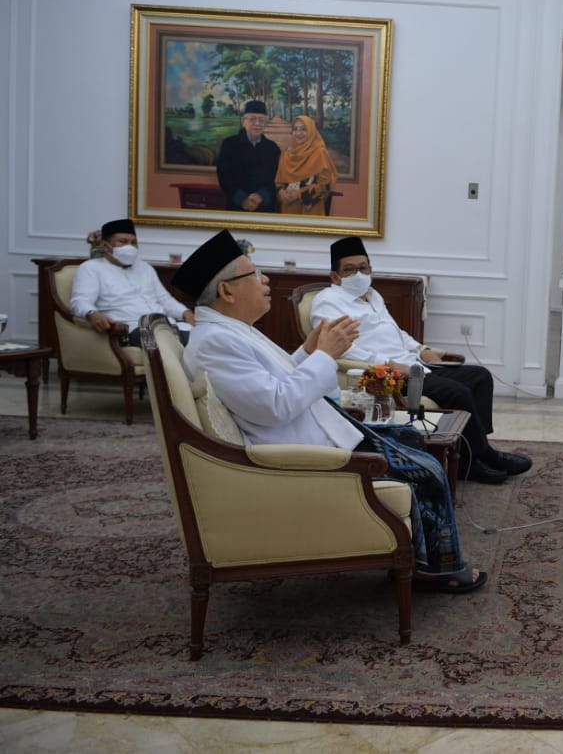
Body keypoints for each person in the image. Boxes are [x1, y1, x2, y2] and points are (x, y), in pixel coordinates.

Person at [173, 229, 487, 593]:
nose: (265, 279)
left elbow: (276, 382)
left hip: (315, 431)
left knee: (411, 437)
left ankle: (417, 554)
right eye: (255, 274)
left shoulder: (231, 331)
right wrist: (325, 354)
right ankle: (437, 569)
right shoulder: (216, 342)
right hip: (300, 452)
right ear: (227, 291)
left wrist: (307, 351)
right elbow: (276, 405)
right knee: (427, 469)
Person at [310, 236, 532, 485]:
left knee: (479, 377)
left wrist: (421, 348)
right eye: (350, 270)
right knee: (457, 392)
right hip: (388, 377)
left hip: (415, 365)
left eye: (363, 267)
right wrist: (388, 365)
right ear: (335, 277)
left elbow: (396, 333)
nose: (359, 274)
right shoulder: (328, 302)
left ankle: (479, 452)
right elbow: (339, 349)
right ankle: (477, 461)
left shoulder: (373, 296)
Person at [69, 218, 194, 345]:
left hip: (166, 325)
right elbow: (80, 301)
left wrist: (185, 312)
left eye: (133, 242)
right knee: (198, 342)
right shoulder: (91, 268)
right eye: (123, 242)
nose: (130, 246)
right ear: (105, 246)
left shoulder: (145, 268)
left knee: (207, 335)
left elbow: (164, 299)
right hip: (131, 330)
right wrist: (92, 314)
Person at [215, 101, 280, 212]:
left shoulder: (273, 148)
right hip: (236, 207)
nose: (257, 123)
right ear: (243, 121)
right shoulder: (229, 144)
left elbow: (277, 179)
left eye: (261, 120)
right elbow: (224, 177)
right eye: (252, 119)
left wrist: (261, 196)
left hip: (265, 208)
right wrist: (242, 200)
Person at [275, 115, 337, 215]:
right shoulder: (286, 153)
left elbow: (325, 186)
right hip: (288, 208)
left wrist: (298, 194)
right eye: (295, 129)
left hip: (311, 209)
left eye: (304, 129)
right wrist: (281, 192)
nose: (298, 133)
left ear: (311, 131)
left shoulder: (320, 153)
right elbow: (279, 181)